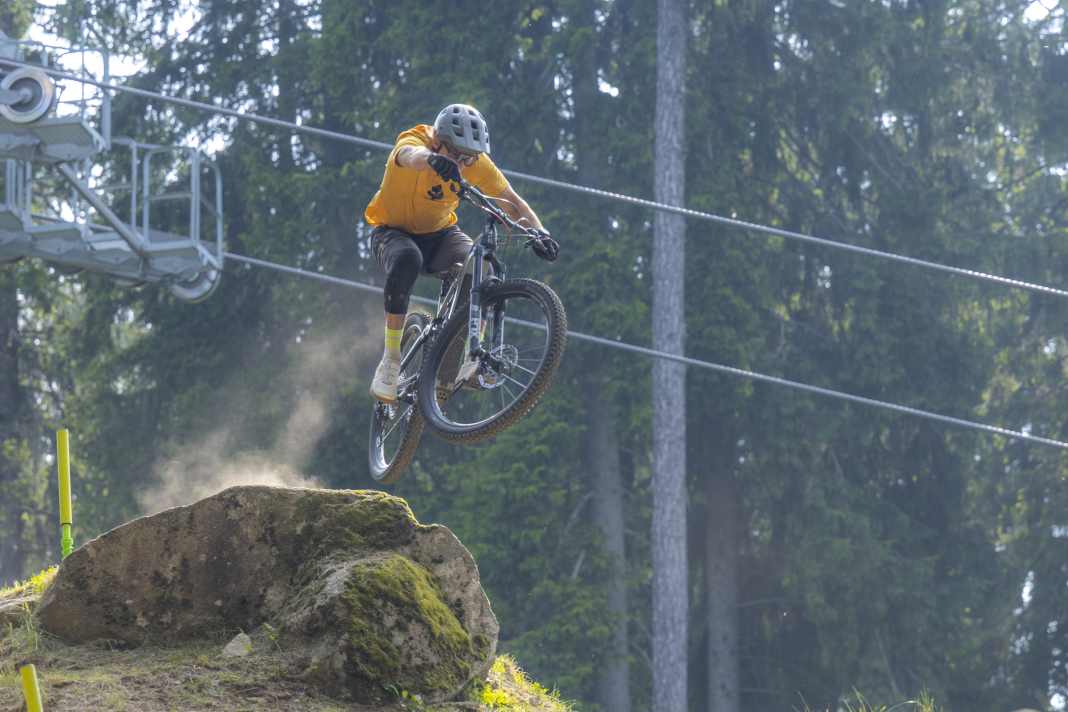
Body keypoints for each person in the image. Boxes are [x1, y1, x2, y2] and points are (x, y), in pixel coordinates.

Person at [364, 103, 558, 403]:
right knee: (407, 259)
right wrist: (431, 160)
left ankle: (469, 356)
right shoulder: (416, 140)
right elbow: (408, 156)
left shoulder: (474, 162)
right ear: (438, 141)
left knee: (482, 263)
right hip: (391, 232)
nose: (464, 164)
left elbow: (509, 199)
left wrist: (538, 232)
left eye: (470, 158)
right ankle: (391, 358)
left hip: (440, 235)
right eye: (456, 155)